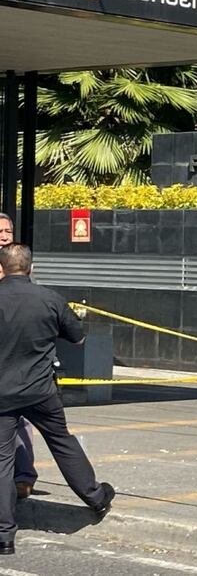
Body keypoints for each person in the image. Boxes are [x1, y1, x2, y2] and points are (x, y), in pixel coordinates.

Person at [0, 244, 114, 555]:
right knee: (62, 441)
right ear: (31, 268)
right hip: (41, 391)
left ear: (1, 268)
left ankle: (4, 536)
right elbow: (78, 338)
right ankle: (95, 497)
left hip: (2, 394)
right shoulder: (49, 299)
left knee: (2, 461)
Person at [0, 214, 35, 501]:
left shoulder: (18, 265)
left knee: (22, 420)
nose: (4, 235)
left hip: (18, 361)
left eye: (8, 230)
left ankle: (23, 478)